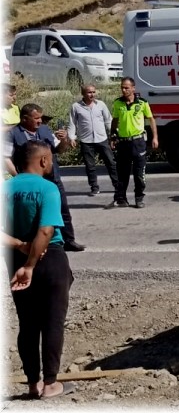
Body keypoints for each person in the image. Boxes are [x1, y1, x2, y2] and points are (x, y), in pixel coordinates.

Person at [4, 140, 75, 400]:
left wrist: (19, 245)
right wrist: (32, 264)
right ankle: (50, 384)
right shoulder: (48, 188)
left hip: (15, 259)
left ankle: (32, 384)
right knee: (53, 321)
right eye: (51, 160)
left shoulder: (4, 188)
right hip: (49, 258)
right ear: (43, 161)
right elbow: (46, 230)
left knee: (28, 323)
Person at [5, 105, 83, 251]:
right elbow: (5, 158)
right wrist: (19, 177)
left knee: (62, 209)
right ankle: (34, 242)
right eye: (36, 118)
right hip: (29, 182)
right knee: (33, 212)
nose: (40, 121)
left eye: (41, 117)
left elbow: (58, 149)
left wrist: (64, 140)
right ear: (24, 119)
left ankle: (68, 240)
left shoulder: (45, 130)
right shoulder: (13, 134)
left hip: (52, 178)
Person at [108, 77, 158, 210]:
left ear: (133, 88)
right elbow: (115, 120)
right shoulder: (118, 103)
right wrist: (112, 136)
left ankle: (139, 197)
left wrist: (155, 138)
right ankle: (122, 198)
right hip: (123, 143)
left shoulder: (142, 103)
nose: (124, 90)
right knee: (122, 172)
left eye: (127, 88)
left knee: (139, 173)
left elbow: (151, 119)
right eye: (122, 88)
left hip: (138, 142)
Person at [68, 84, 117, 198]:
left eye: (94, 92)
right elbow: (72, 123)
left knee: (111, 163)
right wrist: (72, 137)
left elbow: (108, 120)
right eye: (89, 92)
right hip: (86, 140)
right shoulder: (76, 106)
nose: (92, 94)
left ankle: (117, 185)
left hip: (102, 139)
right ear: (83, 94)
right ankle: (94, 187)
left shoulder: (101, 105)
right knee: (90, 166)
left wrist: (113, 135)